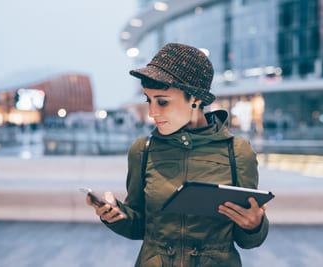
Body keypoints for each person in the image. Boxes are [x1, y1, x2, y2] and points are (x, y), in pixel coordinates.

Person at [87, 43, 268, 267]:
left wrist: (255, 225)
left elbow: (248, 241)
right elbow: (139, 225)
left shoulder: (237, 152)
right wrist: (116, 215)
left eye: (162, 102)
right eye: (149, 100)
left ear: (195, 99)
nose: (152, 113)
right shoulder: (142, 150)